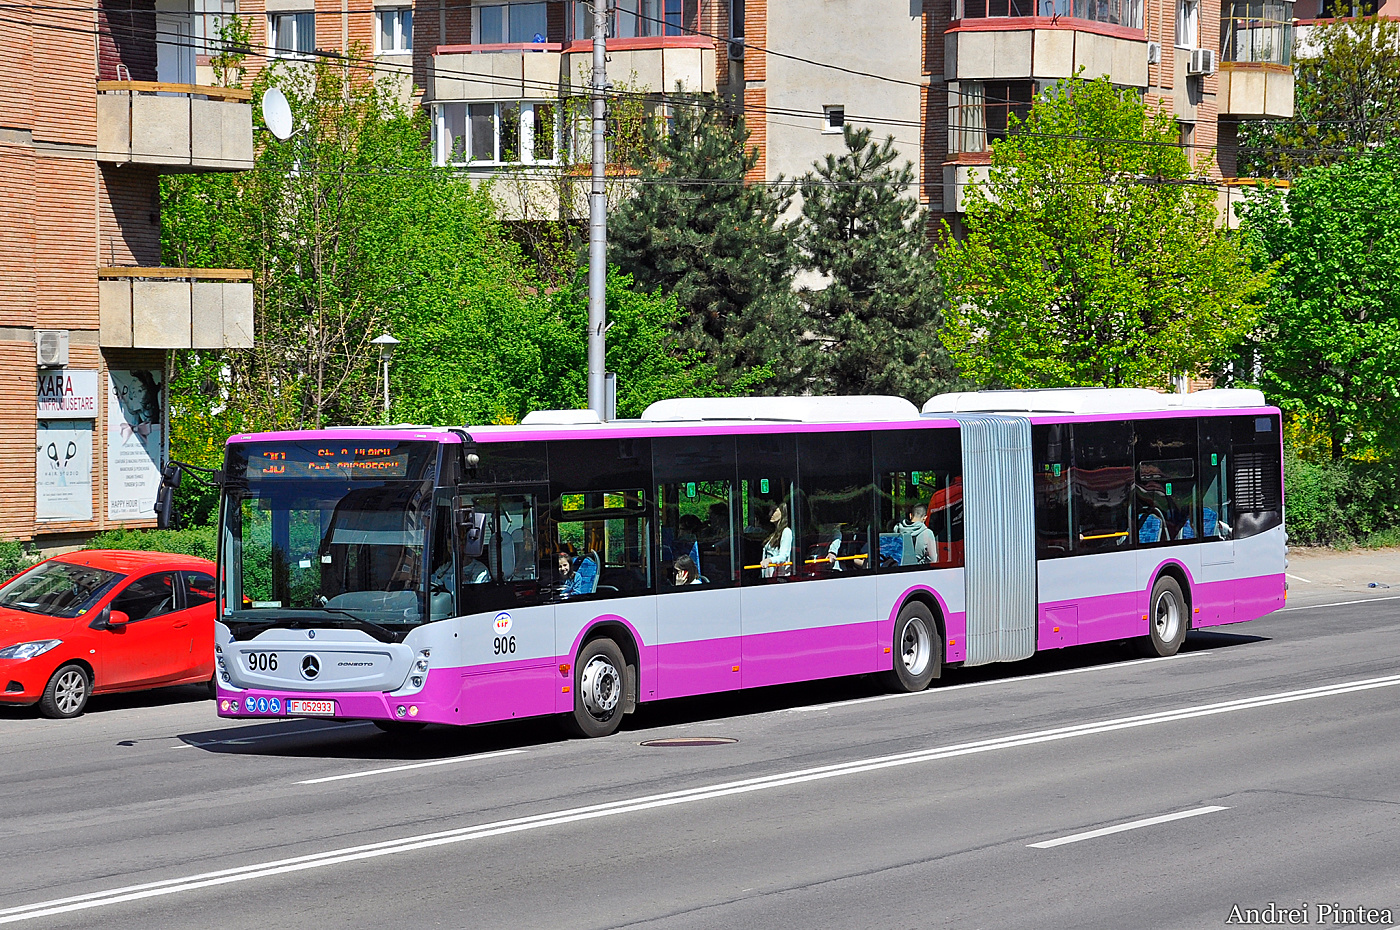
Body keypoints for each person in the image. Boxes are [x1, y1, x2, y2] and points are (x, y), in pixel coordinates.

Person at [760, 503, 793, 578]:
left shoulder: (786, 532)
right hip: (769, 576)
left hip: (778, 578)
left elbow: (783, 556)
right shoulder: (774, 534)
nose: (771, 514)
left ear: (783, 513)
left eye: (775, 511)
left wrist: (769, 560)